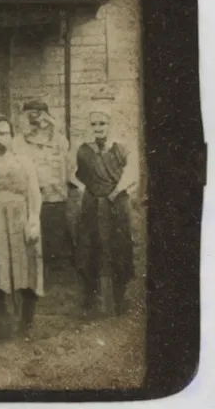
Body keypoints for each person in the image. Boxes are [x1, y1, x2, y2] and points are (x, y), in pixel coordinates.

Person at [0, 116, 44, 341]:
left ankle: (27, 324)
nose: (0, 138)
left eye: (4, 133)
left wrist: (33, 219)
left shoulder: (23, 160)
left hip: (21, 215)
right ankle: (3, 325)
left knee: (28, 267)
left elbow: (34, 191)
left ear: (12, 136)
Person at [74, 99, 138, 317]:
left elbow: (132, 172)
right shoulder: (84, 150)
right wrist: (84, 189)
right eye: (94, 124)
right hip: (92, 205)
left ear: (109, 125)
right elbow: (72, 173)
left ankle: (119, 300)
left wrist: (115, 191)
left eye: (102, 123)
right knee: (90, 248)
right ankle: (91, 299)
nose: (98, 128)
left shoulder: (120, 148)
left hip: (116, 204)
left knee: (118, 249)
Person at [13, 100, 82, 265]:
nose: (37, 122)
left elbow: (69, 166)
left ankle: (60, 271)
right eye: (31, 116)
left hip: (56, 198)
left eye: (40, 115)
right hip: (30, 200)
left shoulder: (59, 140)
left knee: (57, 238)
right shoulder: (18, 142)